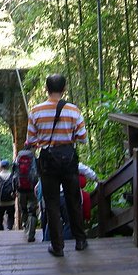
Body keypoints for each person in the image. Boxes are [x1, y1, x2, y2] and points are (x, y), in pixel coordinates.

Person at [26, 73, 88, 257]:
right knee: (73, 200)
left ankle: (58, 246)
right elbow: (83, 138)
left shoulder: (36, 111)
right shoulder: (74, 110)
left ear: (46, 89)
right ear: (64, 89)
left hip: (48, 161)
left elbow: (30, 140)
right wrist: (68, 137)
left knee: (51, 203)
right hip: (68, 160)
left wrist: (42, 141)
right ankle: (80, 240)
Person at [14, 145, 39, 242]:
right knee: (32, 211)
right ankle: (31, 234)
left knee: (23, 209)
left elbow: (14, 174)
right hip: (33, 188)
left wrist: (14, 189)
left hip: (21, 189)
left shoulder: (18, 159)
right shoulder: (34, 159)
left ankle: (25, 226)